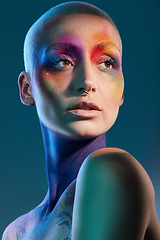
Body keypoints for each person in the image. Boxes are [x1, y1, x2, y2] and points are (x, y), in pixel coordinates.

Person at [2, 2, 160, 240]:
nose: (87, 81)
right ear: (27, 89)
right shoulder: (16, 231)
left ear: (122, 89)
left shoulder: (111, 170)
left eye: (106, 62)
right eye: (63, 61)